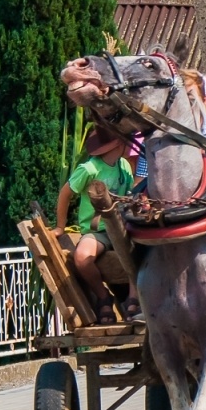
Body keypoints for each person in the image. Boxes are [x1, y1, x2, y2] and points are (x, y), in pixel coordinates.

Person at [56, 126, 135, 321]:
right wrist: (60, 226)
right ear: (118, 142)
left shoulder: (124, 166)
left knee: (141, 251)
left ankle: (134, 301)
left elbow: (129, 197)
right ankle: (103, 298)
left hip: (123, 229)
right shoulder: (89, 169)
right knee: (82, 257)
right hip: (98, 232)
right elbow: (65, 194)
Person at [133, 70, 206, 188]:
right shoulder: (155, 135)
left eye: (190, 97)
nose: (183, 103)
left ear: (205, 99)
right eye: (178, 98)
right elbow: (140, 182)